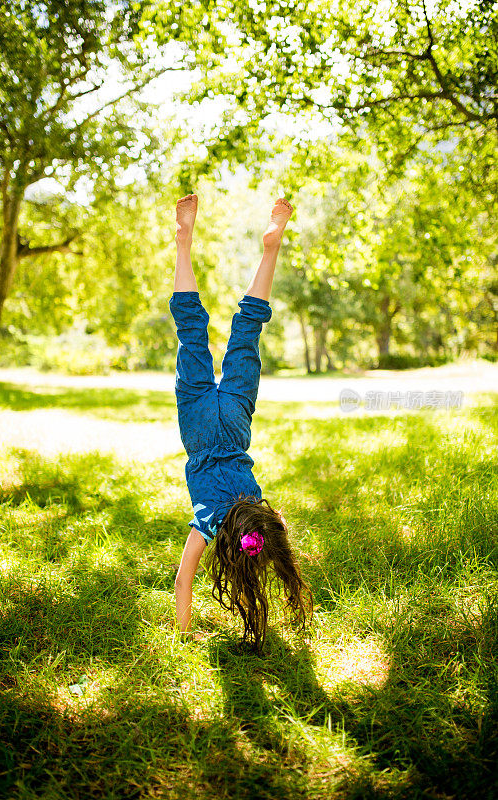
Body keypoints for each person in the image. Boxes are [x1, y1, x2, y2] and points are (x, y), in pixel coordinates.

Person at [170, 193, 312, 651]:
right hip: (197, 424)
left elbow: (271, 529)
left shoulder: (260, 506)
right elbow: (181, 582)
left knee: (248, 329)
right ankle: (183, 242)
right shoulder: (209, 521)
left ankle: (271, 245)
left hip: (233, 423)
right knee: (191, 330)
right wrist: (185, 633)